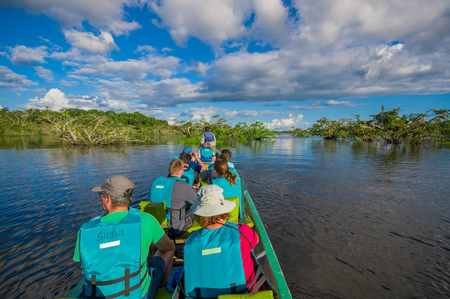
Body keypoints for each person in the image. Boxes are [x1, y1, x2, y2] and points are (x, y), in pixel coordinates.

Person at [73, 175, 175, 299]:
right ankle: (161, 287)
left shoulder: (85, 229)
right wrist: (151, 245)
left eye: (101, 194)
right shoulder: (146, 220)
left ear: (108, 199)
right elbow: (169, 246)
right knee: (168, 250)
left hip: (95, 295)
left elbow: (85, 261)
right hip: (137, 295)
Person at [184, 185, 259, 298]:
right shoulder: (242, 231)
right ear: (223, 210)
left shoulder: (191, 239)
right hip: (241, 294)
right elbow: (256, 240)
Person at [150, 159, 197, 238]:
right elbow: (197, 202)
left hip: (158, 227)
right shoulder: (184, 186)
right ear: (182, 171)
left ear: (169, 170)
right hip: (176, 230)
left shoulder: (155, 183)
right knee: (196, 208)